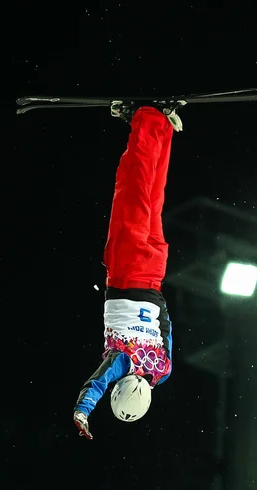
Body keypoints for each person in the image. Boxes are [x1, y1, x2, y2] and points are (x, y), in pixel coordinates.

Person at [72, 99, 186, 440]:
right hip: (127, 270)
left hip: (153, 276)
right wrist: (82, 410)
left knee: (152, 196)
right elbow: (99, 381)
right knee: (132, 189)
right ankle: (146, 117)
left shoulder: (162, 372)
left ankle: (162, 127)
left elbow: (167, 324)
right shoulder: (123, 363)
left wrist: (153, 296)